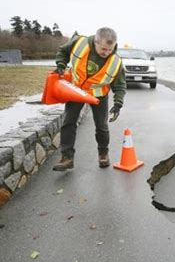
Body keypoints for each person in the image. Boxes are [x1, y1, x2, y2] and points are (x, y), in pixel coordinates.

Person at [52, 27, 126, 171]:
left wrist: (118, 103)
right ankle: (67, 158)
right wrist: (61, 64)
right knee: (68, 122)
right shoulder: (79, 43)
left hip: (98, 94)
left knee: (101, 126)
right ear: (95, 41)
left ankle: (103, 154)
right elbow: (63, 51)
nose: (107, 53)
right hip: (76, 90)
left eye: (110, 50)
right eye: (103, 49)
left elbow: (120, 85)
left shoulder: (116, 62)